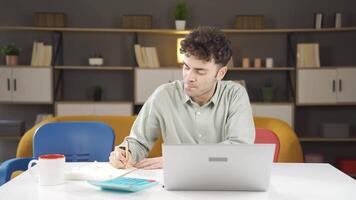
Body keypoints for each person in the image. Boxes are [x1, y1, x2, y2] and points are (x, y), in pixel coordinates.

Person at [109, 26, 255, 169]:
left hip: (223, 179)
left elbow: (240, 148)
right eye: (186, 67)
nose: (189, 77)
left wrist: (180, 159)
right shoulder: (164, 95)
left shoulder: (235, 95)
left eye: (200, 71)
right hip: (176, 184)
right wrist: (124, 153)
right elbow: (138, 142)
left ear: (221, 73)